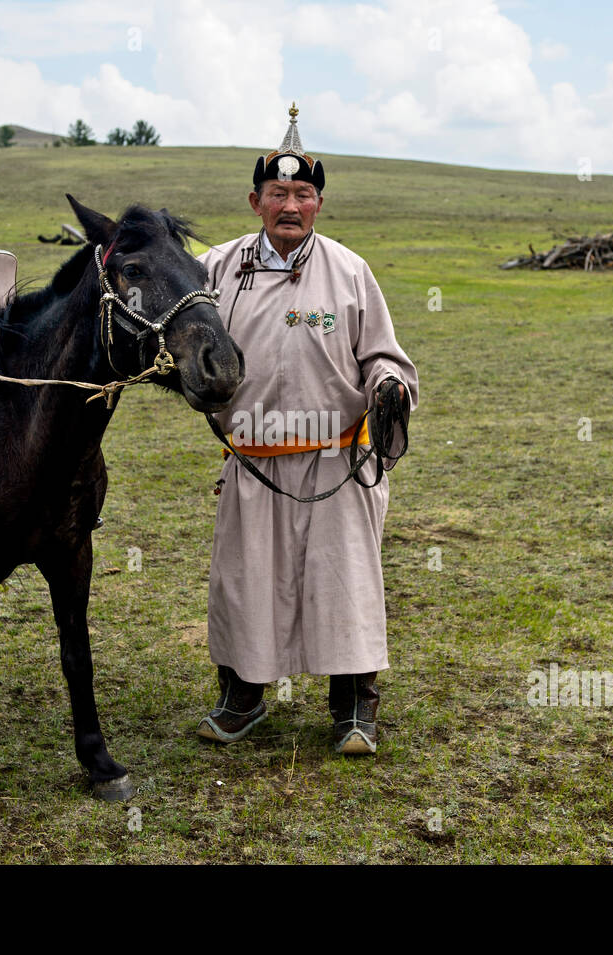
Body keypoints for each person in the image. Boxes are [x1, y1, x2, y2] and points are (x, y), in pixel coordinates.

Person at [195, 104, 419, 755]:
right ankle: (242, 698)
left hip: (335, 461)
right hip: (257, 459)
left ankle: (354, 708)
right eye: (277, 193)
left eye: (303, 193)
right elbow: (167, 304)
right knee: (245, 582)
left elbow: (384, 354)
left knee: (342, 583)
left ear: (319, 203)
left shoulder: (350, 271)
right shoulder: (217, 269)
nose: (289, 205)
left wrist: (388, 387)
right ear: (255, 201)